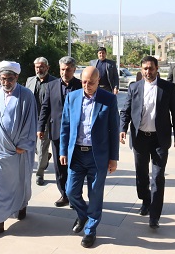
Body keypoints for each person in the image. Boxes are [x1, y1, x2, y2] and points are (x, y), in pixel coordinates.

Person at [120, 56, 175, 229]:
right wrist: (122, 129)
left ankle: (155, 215)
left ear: (157, 69)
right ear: (141, 70)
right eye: (145, 69)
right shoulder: (134, 87)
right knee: (141, 175)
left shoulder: (167, 88)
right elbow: (125, 111)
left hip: (159, 140)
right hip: (139, 138)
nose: (148, 72)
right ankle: (145, 200)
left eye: (151, 68)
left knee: (157, 177)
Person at [60, 66, 119, 248]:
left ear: (98, 80)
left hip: (97, 155)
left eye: (91, 82)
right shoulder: (72, 97)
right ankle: (83, 214)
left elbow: (114, 129)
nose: (87, 86)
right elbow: (65, 126)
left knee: (95, 195)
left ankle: (90, 231)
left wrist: (113, 158)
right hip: (77, 153)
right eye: (84, 82)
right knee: (70, 191)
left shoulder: (108, 99)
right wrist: (63, 151)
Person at [0, 61, 37, 238]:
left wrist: (24, 145)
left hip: (17, 151)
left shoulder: (26, 95)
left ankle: (21, 205)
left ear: (17, 77)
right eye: (3, 79)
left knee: (20, 183)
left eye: (10, 79)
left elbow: (31, 121)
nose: (6, 82)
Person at [38, 56, 82, 207]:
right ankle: (64, 194)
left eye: (68, 70)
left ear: (74, 70)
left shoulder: (81, 86)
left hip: (77, 134)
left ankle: (75, 195)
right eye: (62, 69)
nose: (65, 72)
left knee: (75, 165)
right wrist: (40, 127)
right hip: (56, 132)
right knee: (59, 166)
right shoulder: (51, 86)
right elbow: (45, 108)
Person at [25, 57, 57, 186]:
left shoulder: (54, 82)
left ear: (47, 68)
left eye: (42, 67)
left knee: (42, 147)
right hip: (31, 119)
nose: (39, 69)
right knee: (33, 146)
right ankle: (45, 157)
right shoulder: (30, 80)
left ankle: (40, 174)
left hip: (46, 121)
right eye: (37, 67)